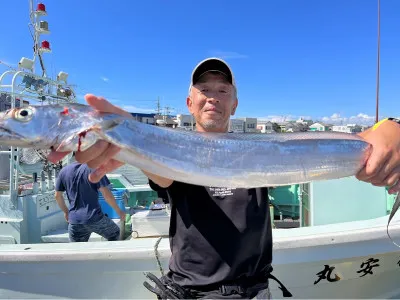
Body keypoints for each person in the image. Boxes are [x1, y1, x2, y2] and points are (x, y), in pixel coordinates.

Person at [48, 57, 400, 298]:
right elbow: (161, 175)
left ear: (234, 104)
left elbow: (330, 149)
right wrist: (128, 138)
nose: (212, 97)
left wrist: (390, 129)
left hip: (253, 290)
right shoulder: (174, 154)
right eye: (204, 89)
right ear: (189, 102)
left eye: (222, 90)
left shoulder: (259, 149)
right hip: (190, 291)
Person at [55, 161, 126, 242]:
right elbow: (107, 195)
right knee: (114, 232)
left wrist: (66, 212)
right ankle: (108, 254)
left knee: (76, 249)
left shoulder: (64, 171)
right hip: (94, 218)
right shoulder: (95, 169)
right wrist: (119, 211)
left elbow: (57, 196)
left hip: (74, 220)